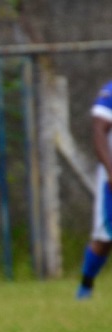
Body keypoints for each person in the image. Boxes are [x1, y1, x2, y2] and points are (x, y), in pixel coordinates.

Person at [76, 79, 112, 299]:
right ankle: (85, 287)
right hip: (110, 178)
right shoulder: (110, 92)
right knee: (105, 238)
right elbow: (99, 130)